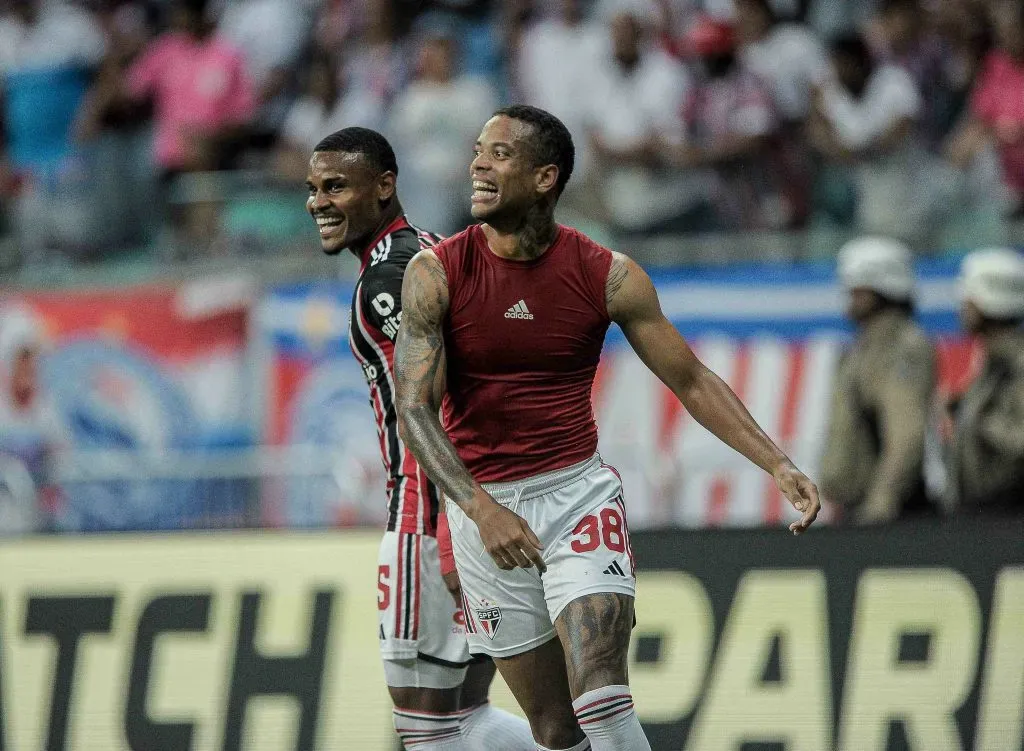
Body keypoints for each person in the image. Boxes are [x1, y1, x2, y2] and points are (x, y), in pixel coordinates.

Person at [393, 105, 820, 751]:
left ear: (545, 177)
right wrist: (481, 509)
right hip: (482, 512)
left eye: (499, 152)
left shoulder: (607, 274)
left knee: (601, 687)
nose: (478, 162)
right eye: (478, 149)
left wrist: (778, 462)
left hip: (576, 496)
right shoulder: (436, 273)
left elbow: (693, 379)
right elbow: (414, 410)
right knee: (556, 727)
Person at [304, 127, 534, 751]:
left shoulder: (387, 281)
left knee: (426, 732)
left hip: (430, 519)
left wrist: (447, 534)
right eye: (313, 189)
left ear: (383, 187)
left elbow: (445, 402)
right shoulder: (433, 250)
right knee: (470, 716)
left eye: (335, 187)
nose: (318, 202)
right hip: (482, 512)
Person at [819, 236, 937, 524]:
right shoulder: (866, 346)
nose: (849, 297)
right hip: (859, 507)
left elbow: (905, 435)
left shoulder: (900, 347)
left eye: (856, 289)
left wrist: (879, 505)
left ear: (880, 289)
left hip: (888, 514)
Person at [947, 248, 1024, 513]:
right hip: (981, 514)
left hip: (1006, 515)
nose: (962, 308)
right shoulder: (990, 362)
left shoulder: (1015, 363)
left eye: (968, 299)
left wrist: (981, 419)